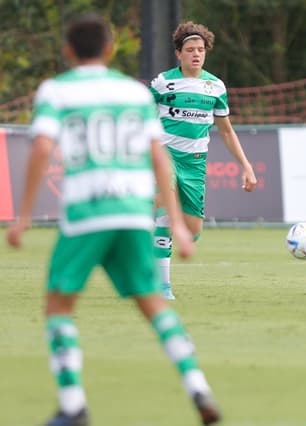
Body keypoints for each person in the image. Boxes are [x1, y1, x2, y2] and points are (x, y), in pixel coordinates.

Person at [6, 14, 221, 425]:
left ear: (68, 51)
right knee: (153, 304)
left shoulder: (57, 89)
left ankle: (72, 405)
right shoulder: (132, 91)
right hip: (133, 209)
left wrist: (24, 216)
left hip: (88, 210)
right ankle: (198, 386)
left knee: (59, 304)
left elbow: (41, 149)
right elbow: (160, 155)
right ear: (109, 50)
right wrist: (175, 222)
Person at [149, 21, 257, 300]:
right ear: (178, 53)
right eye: (190, 49)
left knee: (193, 231)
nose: (196, 54)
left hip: (195, 163)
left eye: (200, 50)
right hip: (164, 156)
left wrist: (246, 166)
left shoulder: (215, 87)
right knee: (164, 201)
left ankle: (143, 233)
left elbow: (226, 131)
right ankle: (162, 285)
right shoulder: (163, 83)